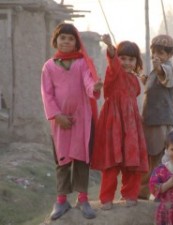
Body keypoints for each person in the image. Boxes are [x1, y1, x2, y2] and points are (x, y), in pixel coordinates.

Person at [41, 23, 102, 220]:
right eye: (63, 38)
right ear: (55, 41)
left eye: (70, 38)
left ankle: (83, 199)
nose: (66, 41)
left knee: (81, 158)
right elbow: (47, 94)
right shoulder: (49, 66)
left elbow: (87, 82)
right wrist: (57, 116)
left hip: (81, 118)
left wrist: (95, 87)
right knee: (62, 159)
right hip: (59, 121)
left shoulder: (82, 63)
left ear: (76, 42)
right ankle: (61, 200)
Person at [90, 34, 148, 210]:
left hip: (130, 125)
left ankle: (130, 194)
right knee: (111, 162)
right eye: (123, 58)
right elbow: (114, 63)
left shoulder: (134, 80)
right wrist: (110, 47)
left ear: (136, 62)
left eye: (131, 59)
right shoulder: (113, 72)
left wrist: (143, 78)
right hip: (113, 123)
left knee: (132, 160)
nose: (126, 62)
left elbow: (135, 95)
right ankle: (106, 198)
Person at [138, 34, 173, 200]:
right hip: (150, 120)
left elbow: (164, 75)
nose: (157, 56)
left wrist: (158, 67)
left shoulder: (167, 67)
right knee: (151, 157)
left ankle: (155, 191)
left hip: (161, 121)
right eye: (154, 52)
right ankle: (146, 191)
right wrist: (146, 80)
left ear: (169, 55)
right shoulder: (155, 70)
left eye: (161, 53)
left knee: (159, 157)